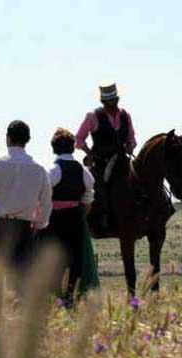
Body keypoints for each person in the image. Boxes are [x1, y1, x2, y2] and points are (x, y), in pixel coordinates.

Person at [0, 120, 52, 279]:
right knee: (20, 282)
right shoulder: (39, 170)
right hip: (22, 228)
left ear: (8, 138)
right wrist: (38, 225)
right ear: (28, 140)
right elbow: (46, 203)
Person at [39, 128, 98, 305]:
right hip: (75, 219)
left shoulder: (54, 170)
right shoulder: (84, 172)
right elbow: (88, 198)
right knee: (74, 259)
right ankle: (70, 295)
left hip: (54, 220)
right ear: (73, 148)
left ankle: (51, 295)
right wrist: (81, 217)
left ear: (54, 148)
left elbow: (42, 193)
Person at [75, 82, 136, 228]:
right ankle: (101, 218)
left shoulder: (125, 115)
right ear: (103, 101)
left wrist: (130, 146)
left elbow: (131, 138)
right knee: (99, 187)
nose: (113, 103)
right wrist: (88, 153)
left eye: (115, 100)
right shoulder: (93, 116)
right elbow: (78, 139)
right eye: (110, 101)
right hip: (101, 161)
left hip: (122, 159)